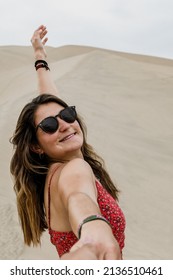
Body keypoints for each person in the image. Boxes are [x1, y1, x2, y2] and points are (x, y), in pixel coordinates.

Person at [10, 25, 126, 260]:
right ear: (36, 146)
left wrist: (40, 57)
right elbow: (78, 196)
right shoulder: (74, 169)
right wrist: (92, 228)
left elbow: (51, 105)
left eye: (68, 115)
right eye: (50, 126)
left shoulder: (52, 175)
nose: (63, 124)